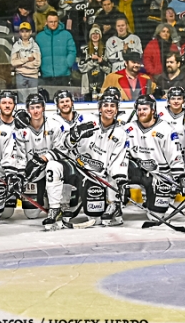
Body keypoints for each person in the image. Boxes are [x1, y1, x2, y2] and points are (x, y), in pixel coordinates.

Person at [50, 89, 128, 228]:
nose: (109, 109)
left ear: (117, 109)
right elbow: (64, 145)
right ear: (99, 108)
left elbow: (117, 161)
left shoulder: (120, 133)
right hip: (77, 168)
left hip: (97, 176)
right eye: (105, 105)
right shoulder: (86, 120)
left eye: (112, 106)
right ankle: (55, 209)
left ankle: (114, 205)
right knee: (53, 166)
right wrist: (73, 137)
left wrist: (119, 184)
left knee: (95, 218)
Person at [125, 94, 185, 218]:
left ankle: (155, 199)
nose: (141, 112)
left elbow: (174, 154)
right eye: (139, 109)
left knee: (156, 216)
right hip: (139, 172)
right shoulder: (128, 129)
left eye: (145, 109)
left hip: (159, 175)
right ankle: (115, 206)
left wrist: (179, 176)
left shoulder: (166, 129)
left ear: (153, 110)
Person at [13, 93, 66, 220]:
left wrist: (44, 158)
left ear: (43, 108)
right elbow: (20, 156)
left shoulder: (54, 125)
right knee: (31, 214)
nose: (36, 111)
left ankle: (52, 200)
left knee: (53, 167)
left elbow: (61, 149)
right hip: (32, 173)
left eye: (38, 107)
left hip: (50, 170)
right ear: (28, 109)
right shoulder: (21, 129)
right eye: (32, 108)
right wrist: (21, 175)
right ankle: (43, 195)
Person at [38, 12, 76, 87]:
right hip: (46, 74)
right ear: (46, 22)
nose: (53, 24)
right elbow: (36, 54)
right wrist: (40, 67)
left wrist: (67, 64)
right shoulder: (39, 37)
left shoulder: (66, 35)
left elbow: (72, 51)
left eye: (55, 21)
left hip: (63, 75)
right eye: (51, 22)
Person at [77, 24, 111, 100]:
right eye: (93, 34)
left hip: (102, 84)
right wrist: (92, 61)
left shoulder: (105, 50)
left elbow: (109, 69)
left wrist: (101, 62)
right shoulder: (84, 50)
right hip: (88, 85)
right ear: (90, 36)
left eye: (97, 34)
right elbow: (81, 68)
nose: (95, 35)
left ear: (100, 36)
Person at [10, 22, 41, 102]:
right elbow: (13, 63)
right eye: (22, 31)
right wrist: (27, 59)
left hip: (33, 76)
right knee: (22, 100)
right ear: (20, 33)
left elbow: (37, 63)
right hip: (20, 75)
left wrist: (21, 64)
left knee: (34, 100)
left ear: (30, 32)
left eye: (27, 31)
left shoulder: (35, 46)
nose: (24, 34)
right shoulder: (16, 46)